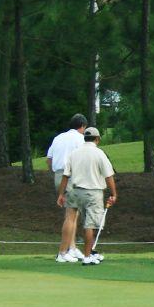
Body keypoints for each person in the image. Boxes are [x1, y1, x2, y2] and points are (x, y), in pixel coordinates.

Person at [57, 127, 117, 265]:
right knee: (89, 225)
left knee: (70, 219)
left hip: (74, 190)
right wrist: (114, 193)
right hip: (93, 192)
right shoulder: (99, 153)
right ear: (97, 139)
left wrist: (61, 194)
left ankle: (63, 252)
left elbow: (66, 176)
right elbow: (109, 176)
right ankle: (87, 256)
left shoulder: (74, 153)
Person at [46, 114, 90, 261]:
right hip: (71, 177)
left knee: (73, 213)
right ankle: (63, 252)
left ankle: (71, 248)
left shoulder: (58, 138)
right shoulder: (80, 139)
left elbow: (49, 159)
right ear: (82, 126)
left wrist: (55, 174)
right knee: (70, 216)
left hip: (59, 176)